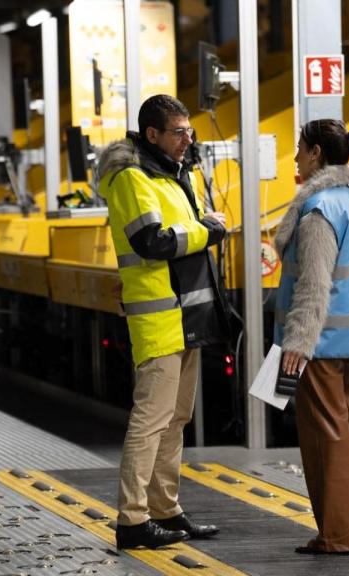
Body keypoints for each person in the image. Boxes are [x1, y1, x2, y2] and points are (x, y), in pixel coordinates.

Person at [97, 94, 228, 550]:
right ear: (152, 134)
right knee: (151, 420)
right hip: (158, 319)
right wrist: (207, 230)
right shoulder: (131, 178)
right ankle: (132, 520)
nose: (187, 140)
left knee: (176, 419)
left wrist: (201, 227)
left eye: (189, 131)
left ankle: (165, 508)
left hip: (185, 315)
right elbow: (152, 241)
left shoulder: (173, 175)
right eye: (178, 132)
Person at [274, 118, 349, 554]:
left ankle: (337, 536)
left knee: (326, 435)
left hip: (320, 342)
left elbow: (314, 284)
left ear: (316, 154)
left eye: (299, 148)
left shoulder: (320, 209)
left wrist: (298, 343)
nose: (295, 157)